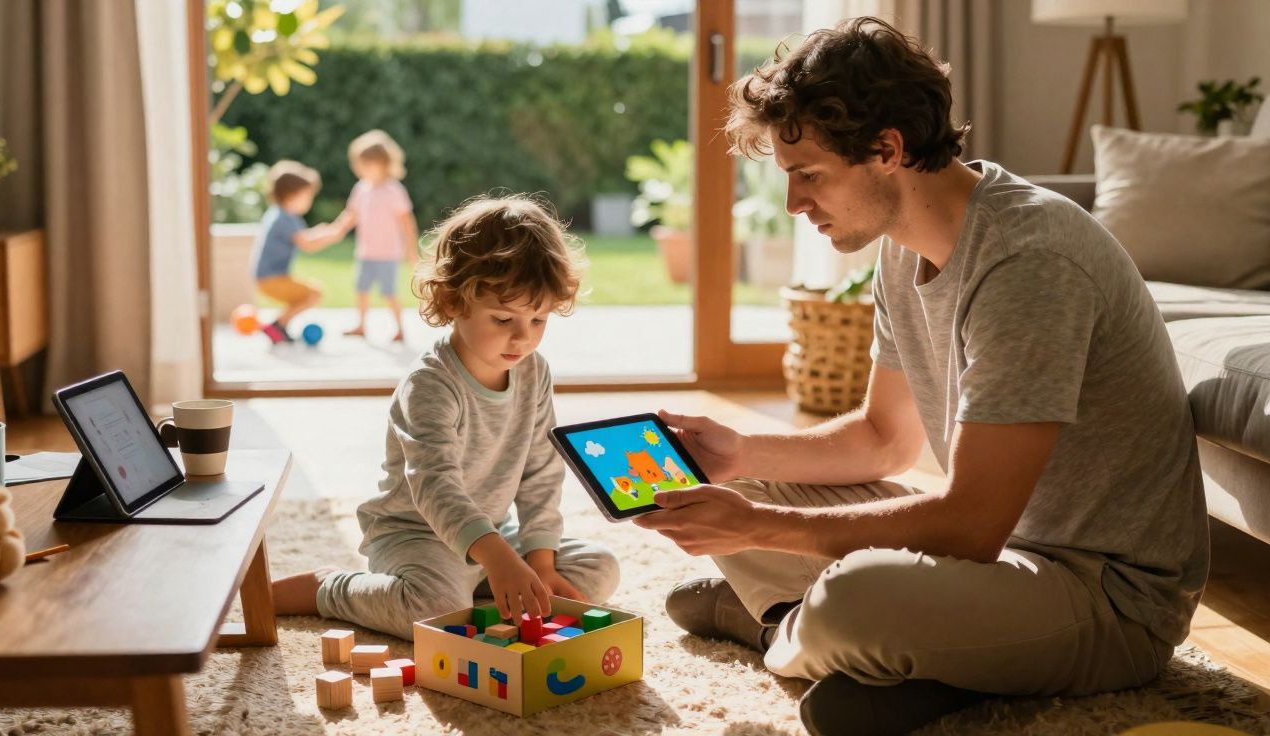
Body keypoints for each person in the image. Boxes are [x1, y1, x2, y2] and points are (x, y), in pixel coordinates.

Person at [634, 17, 1207, 736]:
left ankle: (781, 629)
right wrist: (744, 455)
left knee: (853, 596)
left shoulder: (1029, 261)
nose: (794, 205)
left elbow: (969, 525)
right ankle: (863, 654)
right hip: (1003, 562)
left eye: (809, 176)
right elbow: (882, 440)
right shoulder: (902, 251)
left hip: (1102, 597)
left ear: (887, 149)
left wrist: (759, 531)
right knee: (729, 485)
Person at [271, 194, 621, 637]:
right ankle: (329, 587)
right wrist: (498, 559)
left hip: (490, 535)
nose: (523, 337)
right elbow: (434, 484)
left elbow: (541, 472)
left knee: (599, 568)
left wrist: (538, 562)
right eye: (502, 319)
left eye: (538, 320)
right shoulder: (430, 384)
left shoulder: (534, 371)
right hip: (414, 534)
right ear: (454, 301)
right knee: (437, 610)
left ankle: (485, 589)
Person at [326, 130, 421, 342]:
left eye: (365, 164)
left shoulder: (394, 190)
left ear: (383, 163)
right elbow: (351, 214)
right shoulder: (361, 189)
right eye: (359, 164)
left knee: (388, 292)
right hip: (365, 251)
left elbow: (407, 221)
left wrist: (411, 249)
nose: (360, 169)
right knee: (361, 289)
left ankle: (399, 327)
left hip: (388, 253)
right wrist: (336, 230)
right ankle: (361, 325)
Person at [249, 160, 344, 344]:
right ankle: (277, 325)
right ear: (292, 196)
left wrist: (324, 230)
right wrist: (332, 234)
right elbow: (306, 243)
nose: (310, 201)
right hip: (271, 279)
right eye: (307, 196)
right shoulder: (285, 218)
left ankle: (279, 327)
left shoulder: (279, 214)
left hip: (268, 277)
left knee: (305, 294)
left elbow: (303, 236)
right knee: (313, 294)